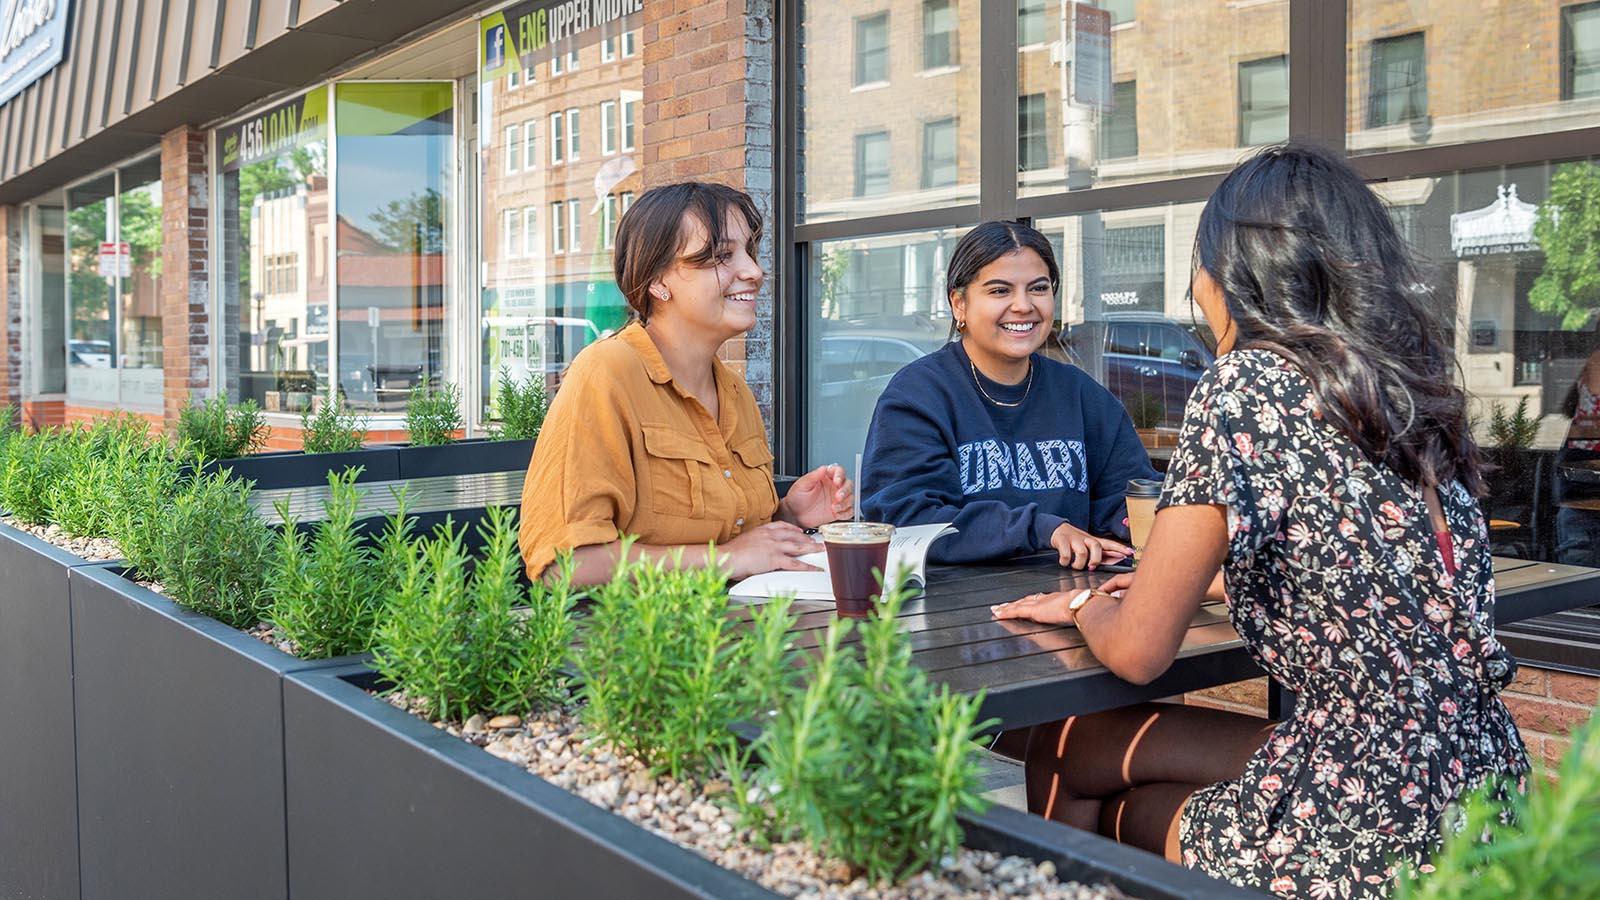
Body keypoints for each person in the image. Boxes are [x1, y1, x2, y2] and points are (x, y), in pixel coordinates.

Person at [990, 144, 1530, 898]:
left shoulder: (1247, 384)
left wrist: (1088, 604)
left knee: (1076, 764)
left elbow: (1141, 654)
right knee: (1081, 749)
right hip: (1478, 790)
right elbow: (1356, 562)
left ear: (1232, 273)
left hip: (1367, 826)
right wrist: (1184, 586)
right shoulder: (1407, 393)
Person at [518, 182, 853, 586]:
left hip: (741, 634)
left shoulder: (734, 392)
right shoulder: (606, 373)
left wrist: (788, 517)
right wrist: (726, 558)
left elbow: (733, 541)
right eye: (721, 256)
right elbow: (563, 565)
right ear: (658, 281)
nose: (754, 271)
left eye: (749, 251)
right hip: (645, 643)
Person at [859, 220, 1157, 567]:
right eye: (1000, 291)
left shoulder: (1081, 395)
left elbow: (1128, 501)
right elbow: (909, 519)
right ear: (959, 305)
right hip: (951, 610)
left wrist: (1151, 519)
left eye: (1038, 288)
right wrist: (1041, 529)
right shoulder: (918, 396)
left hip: (1070, 600)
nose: (1023, 305)